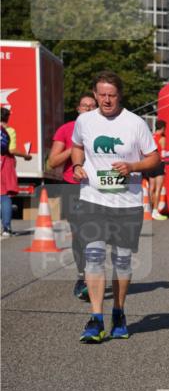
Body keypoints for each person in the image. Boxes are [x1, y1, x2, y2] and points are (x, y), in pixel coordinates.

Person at [70, 70, 160, 342]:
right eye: (102, 95)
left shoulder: (135, 123)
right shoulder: (84, 120)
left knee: (121, 260)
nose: (107, 100)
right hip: (93, 199)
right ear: (95, 95)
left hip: (127, 202)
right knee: (94, 255)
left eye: (112, 95)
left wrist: (132, 166)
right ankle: (96, 319)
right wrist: (77, 165)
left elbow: (154, 158)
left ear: (120, 95)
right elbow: (77, 146)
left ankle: (119, 311)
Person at [46, 93, 98, 298]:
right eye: (85, 106)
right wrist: (75, 147)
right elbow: (53, 162)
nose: (88, 109)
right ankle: (82, 276)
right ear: (78, 109)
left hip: (97, 187)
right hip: (72, 186)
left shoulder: (104, 129)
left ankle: (93, 275)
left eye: (92, 106)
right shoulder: (66, 129)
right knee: (80, 235)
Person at [1, 106, 34, 237]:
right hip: (4, 163)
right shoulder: (9, 131)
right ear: (8, 117)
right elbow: (11, 150)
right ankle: (6, 228)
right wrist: (26, 156)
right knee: (5, 196)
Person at [146, 120, 168, 220]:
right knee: (158, 188)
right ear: (163, 128)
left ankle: (149, 210)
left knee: (151, 188)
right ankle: (155, 211)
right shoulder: (162, 138)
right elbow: (163, 155)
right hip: (159, 164)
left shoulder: (151, 136)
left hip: (150, 164)